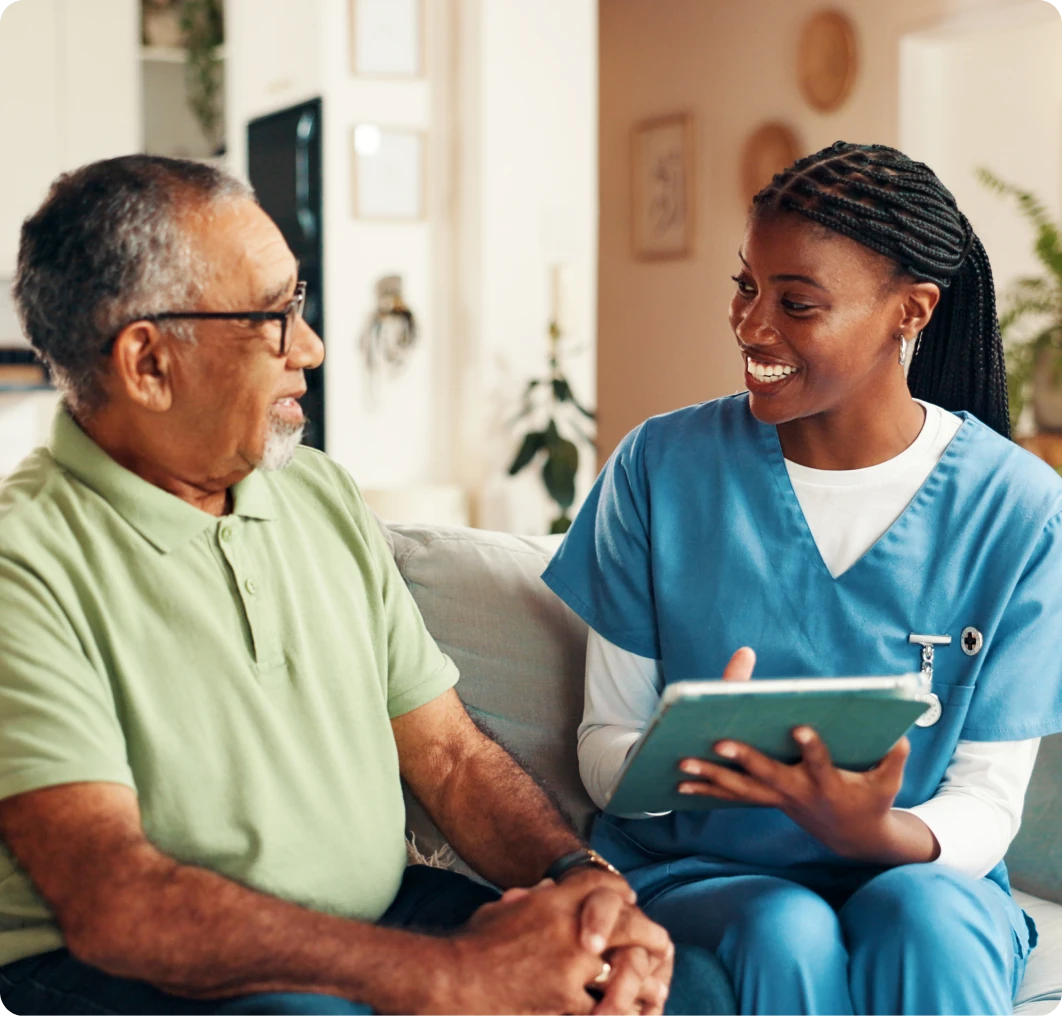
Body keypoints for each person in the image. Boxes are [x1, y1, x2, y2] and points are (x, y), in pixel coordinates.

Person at [0, 156, 736, 1016]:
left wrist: (581, 882)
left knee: (690, 990)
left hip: (379, 920)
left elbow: (452, 761)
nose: (308, 348)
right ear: (149, 363)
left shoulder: (318, 494)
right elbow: (119, 905)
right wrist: (458, 979)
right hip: (127, 971)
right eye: (271, 319)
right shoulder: (25, 566)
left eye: (297, 305)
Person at [543, 141, 1062, 1016]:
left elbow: (987, 800)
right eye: (746, 286)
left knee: (926, 922)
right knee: (786, 928)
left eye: (798, 303)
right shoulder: (659, 470)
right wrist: (680, 755)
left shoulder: (1018, 508)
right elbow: (603, 747)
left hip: (925, 873)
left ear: (913, 311)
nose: (752, 325)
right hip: (707, 874)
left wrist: (877, 831)